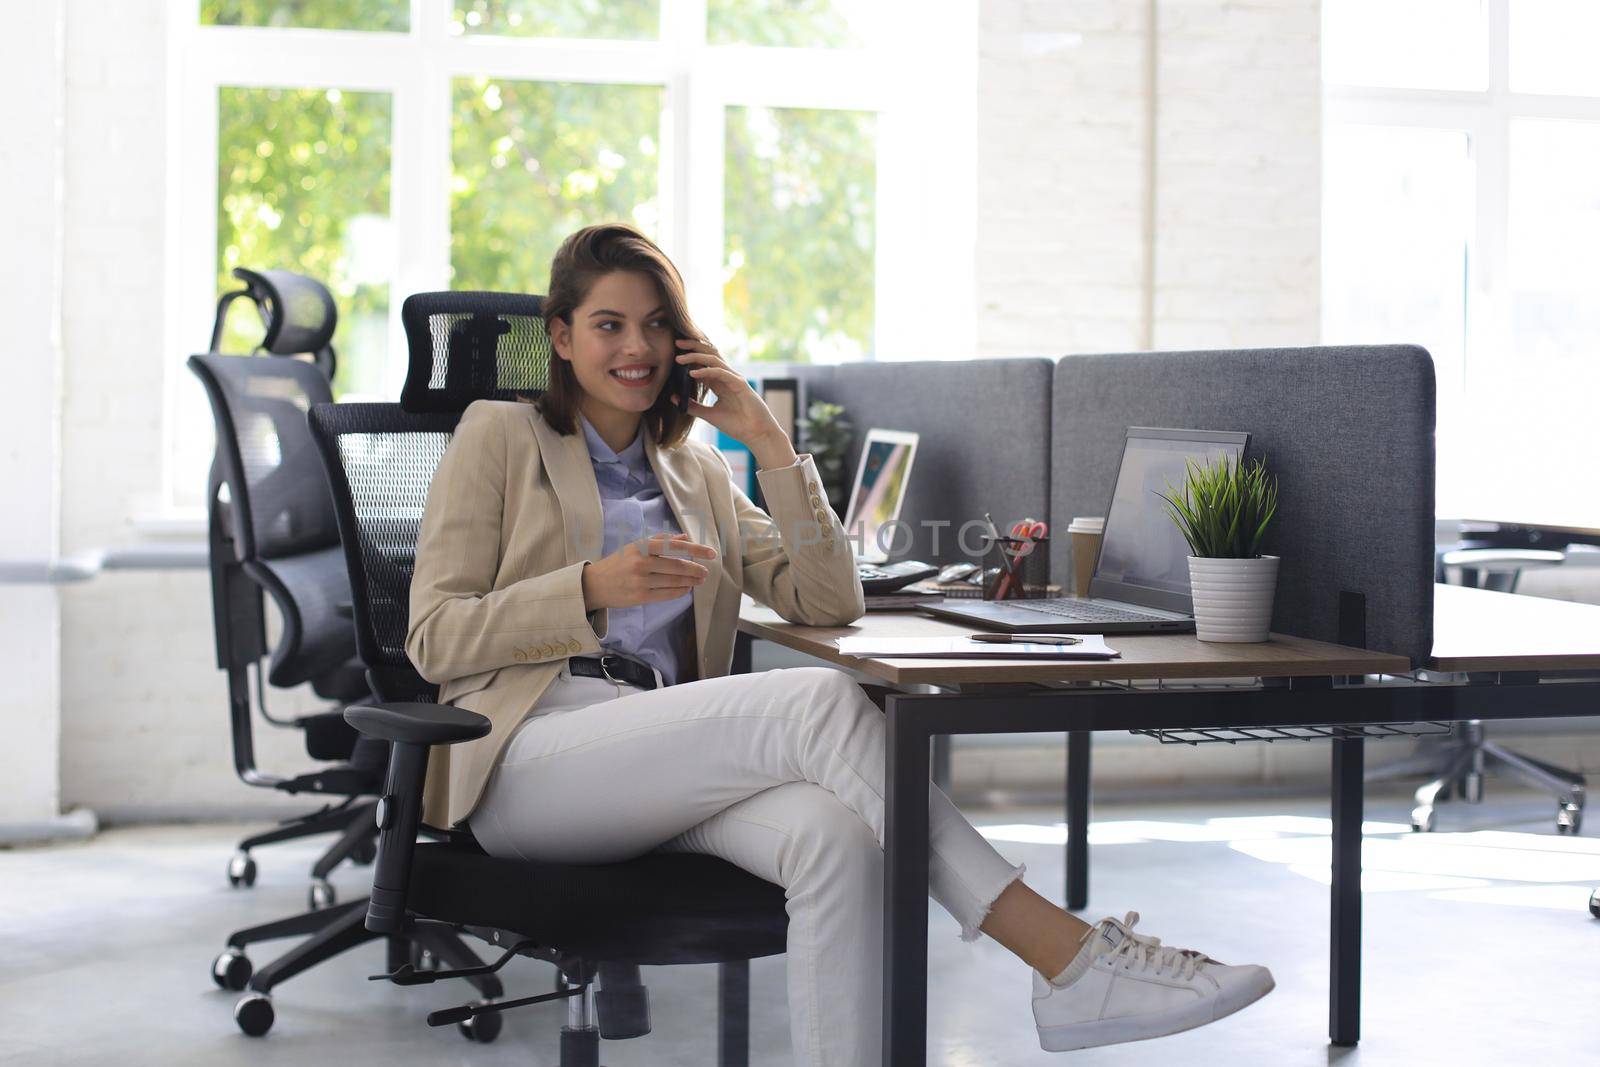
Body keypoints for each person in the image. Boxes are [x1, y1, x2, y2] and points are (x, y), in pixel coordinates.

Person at [406, 222, 1274, 1063]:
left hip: (657, 749)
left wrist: (769, 443)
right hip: (527, 757)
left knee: (838, 838)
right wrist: (592, 589)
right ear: (560, 336)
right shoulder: (502, 434)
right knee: (821, 700)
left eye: (657, 324)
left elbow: (826, 596)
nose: (637, 347)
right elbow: (434, 637)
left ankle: (1048, 978)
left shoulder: (697, 470)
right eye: (609, 325)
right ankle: (1067, 954)